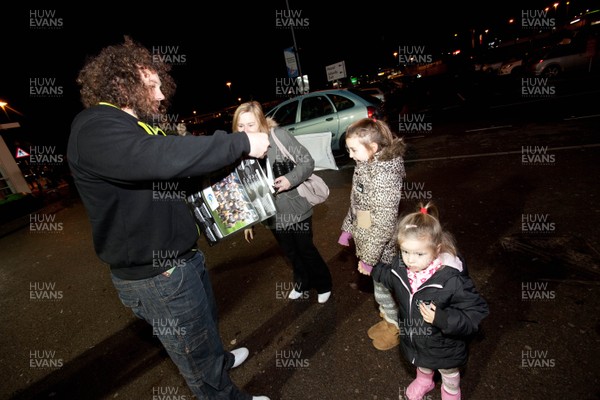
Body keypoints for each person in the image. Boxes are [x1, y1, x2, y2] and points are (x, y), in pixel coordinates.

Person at [67, 36, 271, 400]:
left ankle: (218, 362)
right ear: (122, 85)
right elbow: (158, 157)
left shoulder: (135, 126)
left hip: (182, 258)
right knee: (193, 356)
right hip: (157, 277)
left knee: (204, 326)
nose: (161, 95)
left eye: (161, 85)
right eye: (152, 86)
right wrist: (239, 143)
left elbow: (171, 173)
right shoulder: (95, 127)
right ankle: (220, 389)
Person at [364, 202, 489, 400]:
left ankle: (451, 391)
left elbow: (475, 313)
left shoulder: (451, 279)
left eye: (419, 254)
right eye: (405, 251)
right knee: (422, 361)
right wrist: (374, 270)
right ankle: (424, 379)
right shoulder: (402, 266)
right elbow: (391, 277)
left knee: (448, 373)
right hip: (415, 339)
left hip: (444, 346)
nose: (410, 260)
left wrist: (442, 318)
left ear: (436, 249)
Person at [232, 101, 333, 304]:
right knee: (290, 252)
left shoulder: (279, 136)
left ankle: (324, 284)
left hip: (296, 207)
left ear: (260, 122)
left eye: (250, 124)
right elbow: (244, 186)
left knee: (306, 249)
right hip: (271, 214)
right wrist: (248, 221)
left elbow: (307, 161)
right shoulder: (240, 150)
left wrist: (290, 179)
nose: (245, 130)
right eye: (240, 126)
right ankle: (302, 282)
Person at [338, 118, 406, 350]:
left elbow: (384, 224)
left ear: (373, 148)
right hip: (370, 242)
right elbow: (360, 205)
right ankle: (388, 318)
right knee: (380, 288)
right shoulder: (365, 164)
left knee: (385, 287)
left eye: (354, 149)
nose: (350, 154)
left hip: (383, 249)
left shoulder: (384, 175)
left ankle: (396, 326)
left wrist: (368, 258)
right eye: (348, 149)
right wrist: (349, 228)